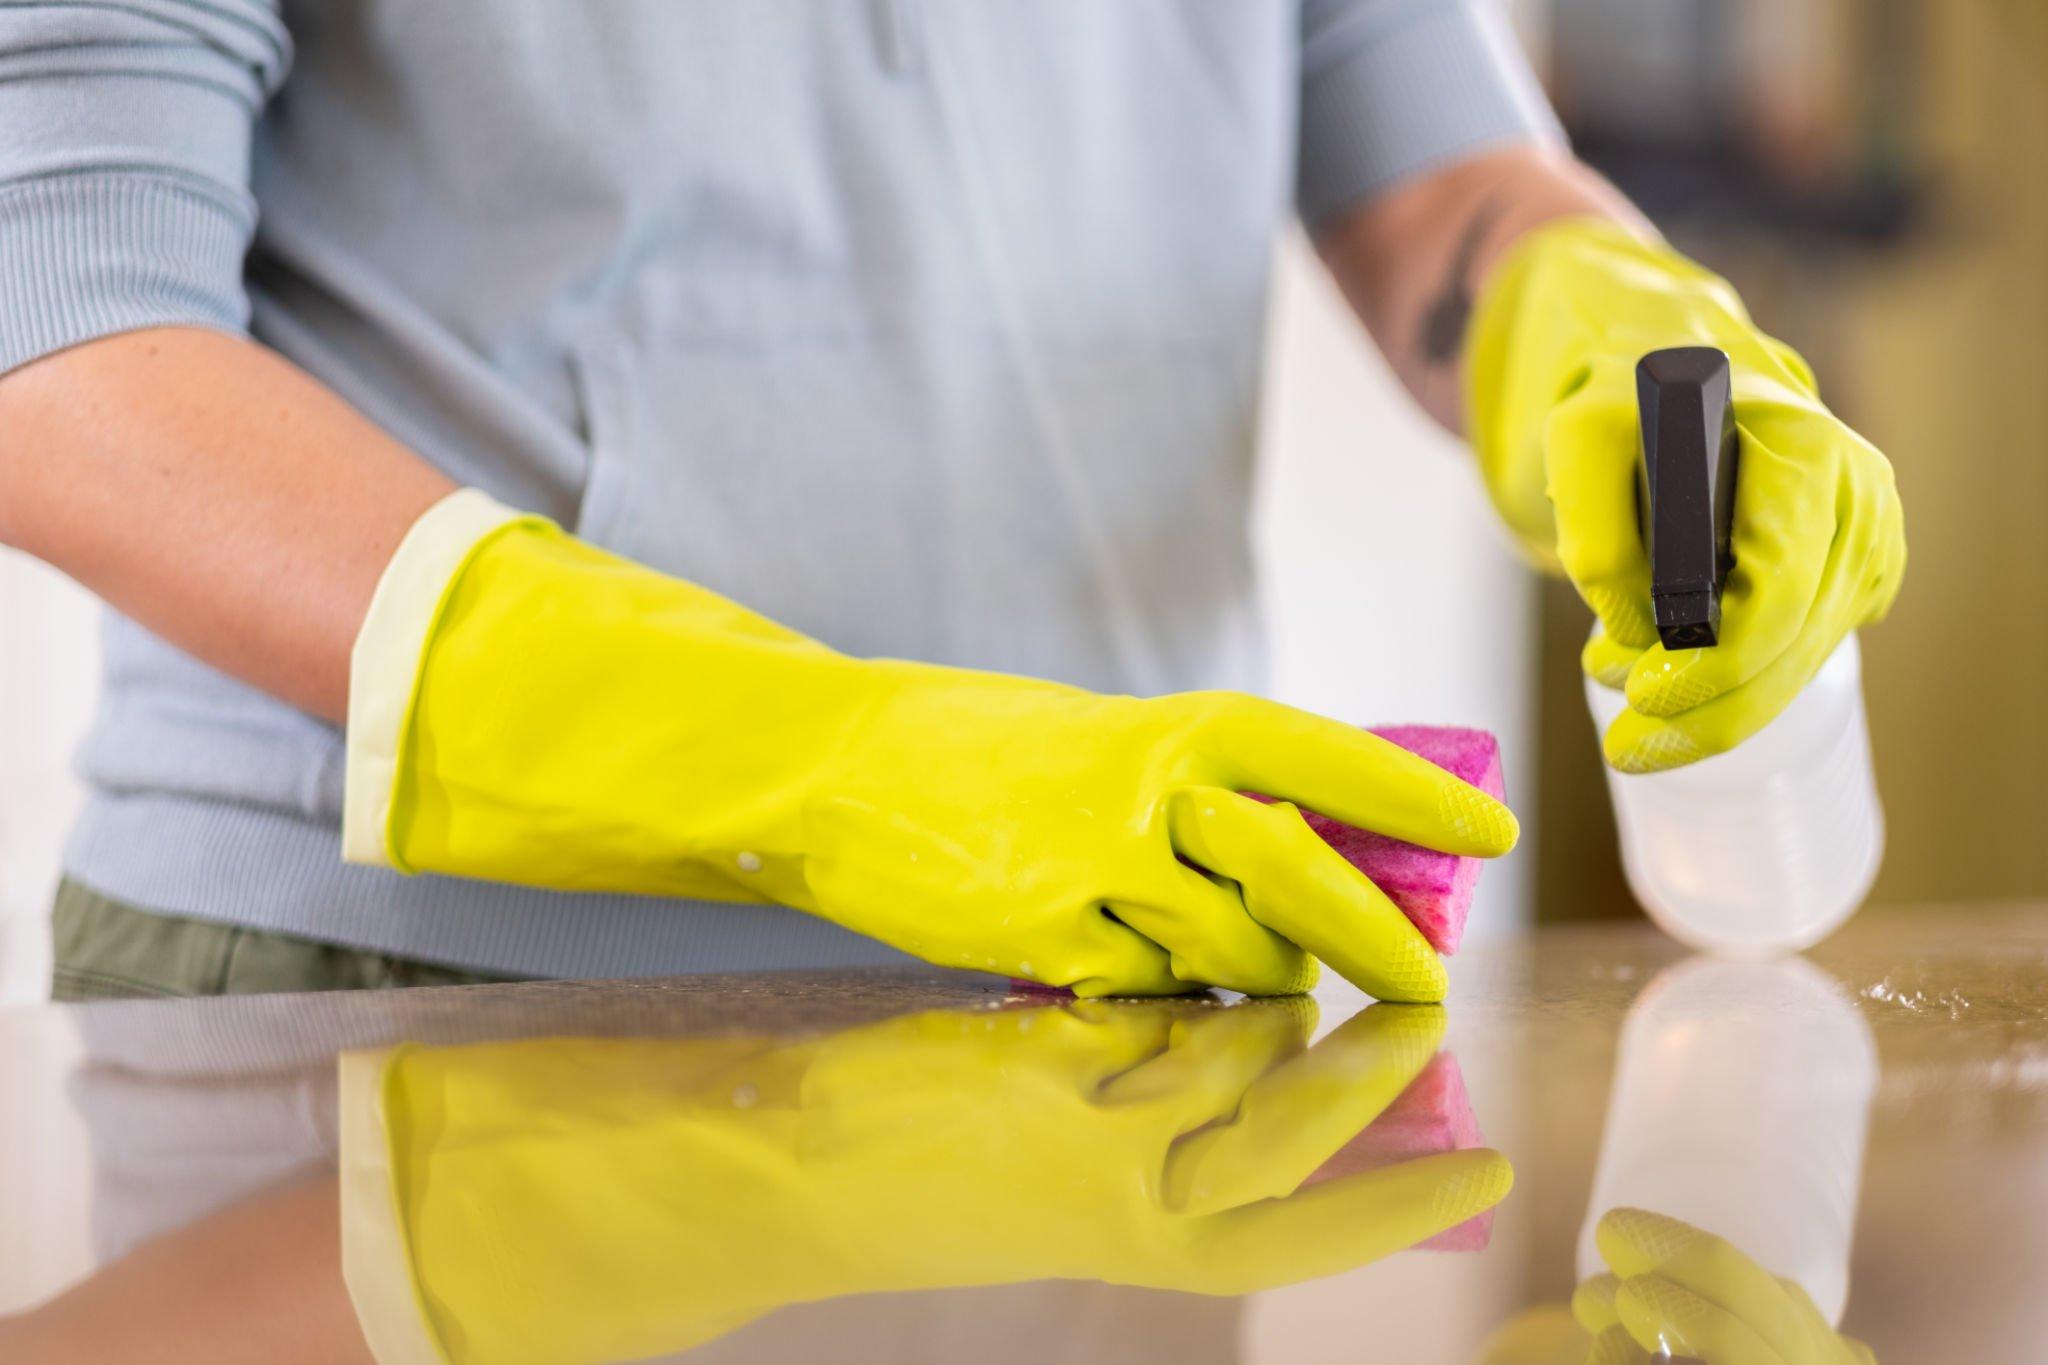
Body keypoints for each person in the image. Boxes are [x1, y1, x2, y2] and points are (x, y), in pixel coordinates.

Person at [0, 2, 1902, 1002]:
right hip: (404, 997)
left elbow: (1430, 173)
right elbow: (59, 340)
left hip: (1136, 985)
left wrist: (1610, 324)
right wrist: (828, 766)